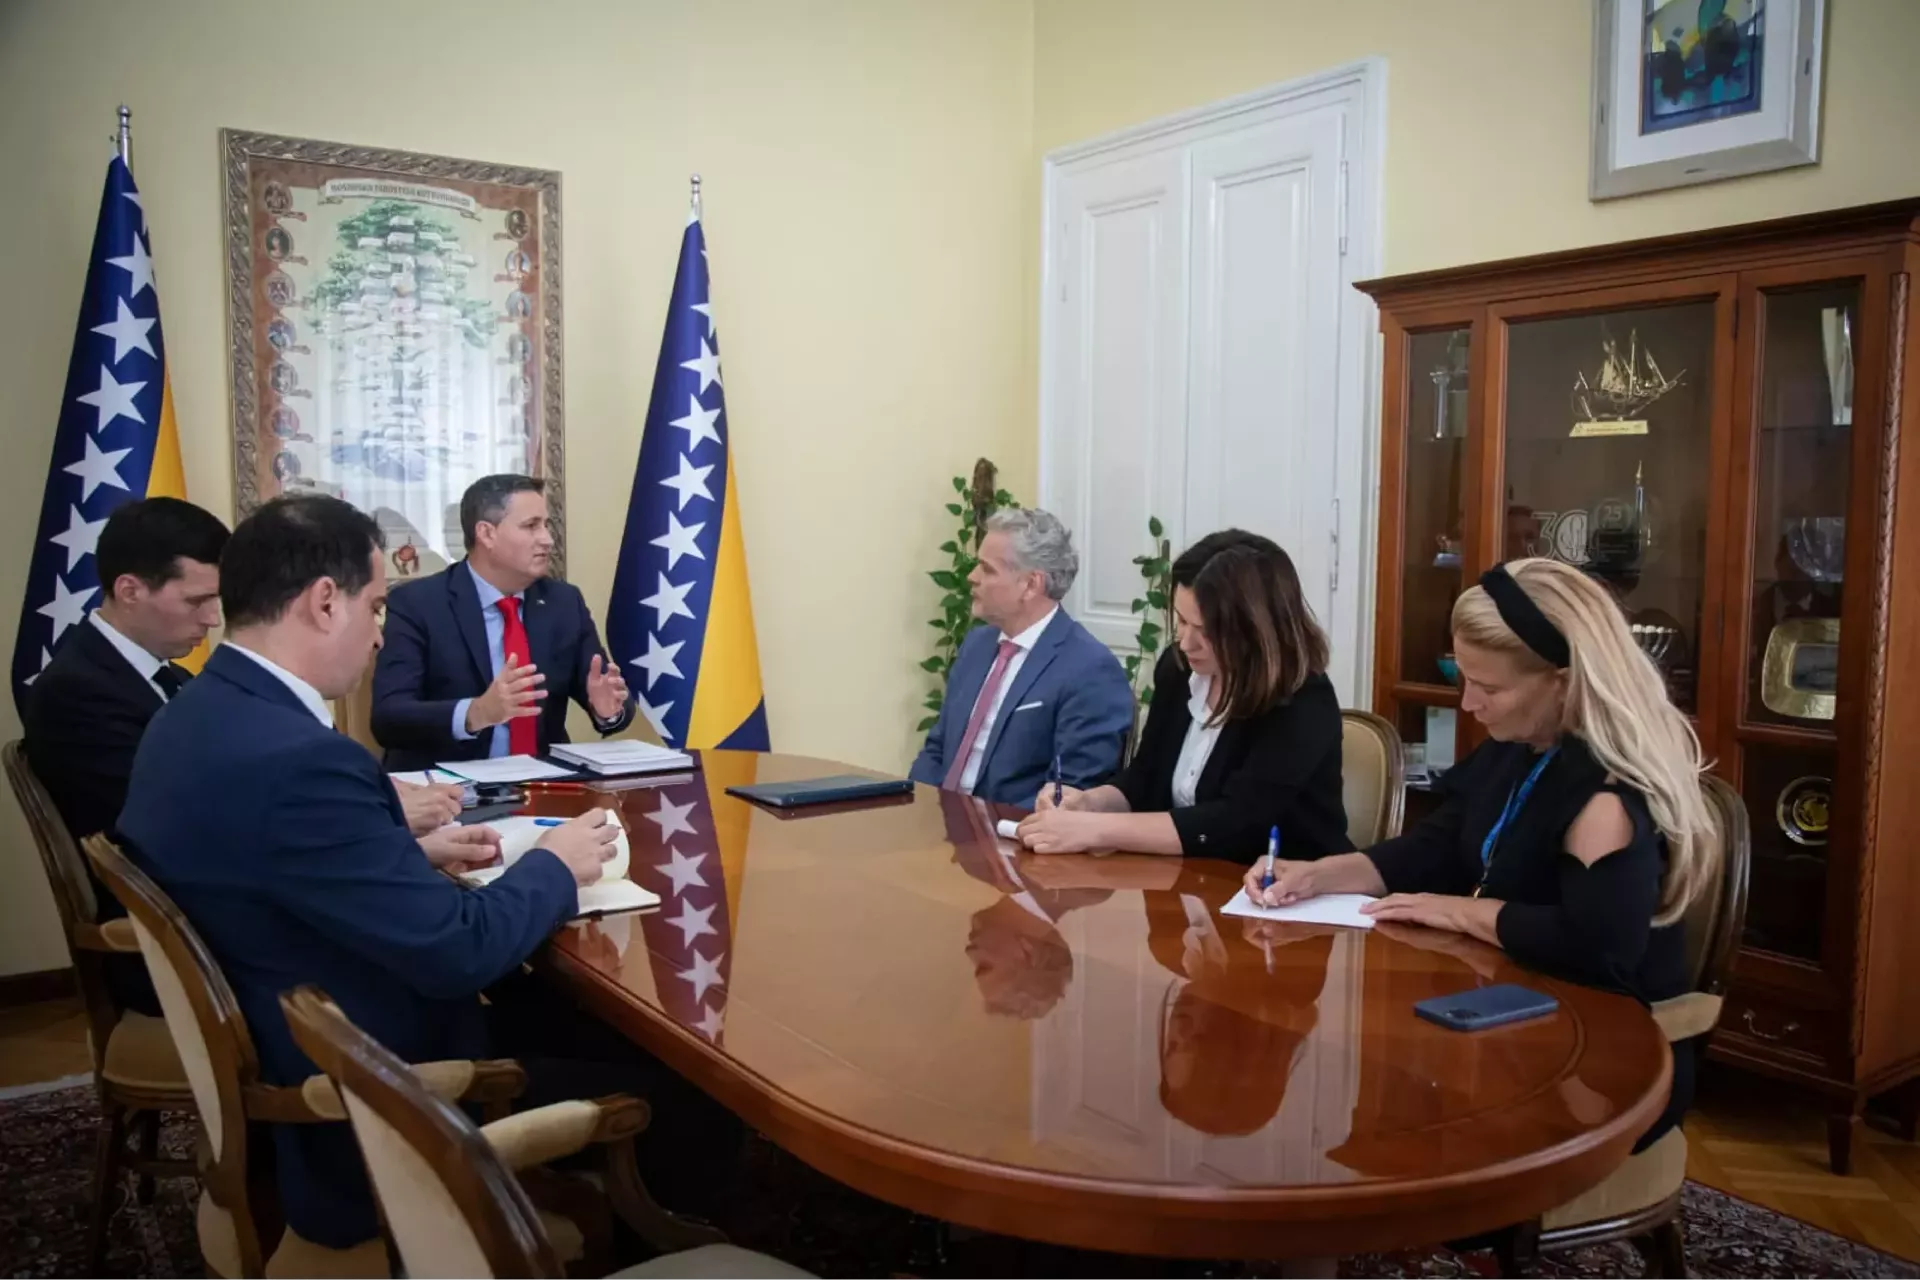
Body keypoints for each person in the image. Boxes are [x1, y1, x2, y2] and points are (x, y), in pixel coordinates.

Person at [114, 494, 639, 1250]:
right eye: (376, 606)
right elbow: (461, 951)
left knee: (580, 1018)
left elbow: (268, 860)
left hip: (300, 1008)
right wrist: (557, 864)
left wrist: (401, 854)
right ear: (325, 602)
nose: (380, 633)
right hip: (371, 1091)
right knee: (666, 1085)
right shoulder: (302, 758)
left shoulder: (192, 713)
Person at [1245, 557, 1720, 1147]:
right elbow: (1436, 846)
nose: (1468, 704)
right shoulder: (1520, 744)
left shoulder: (1606, 800)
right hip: (1511, 1013)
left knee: (1400, 1124)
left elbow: (1598, 950)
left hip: (1603, 1063)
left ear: (1564, 682)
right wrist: (1320, 875)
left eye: (1489, 688)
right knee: (1371, 1093)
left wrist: (1464, 912)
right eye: (1465, 679)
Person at [1016, 530, 1347, 862]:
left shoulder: (1303, 700)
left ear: (1255, 630)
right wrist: (1090, 803)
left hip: (1282, 883)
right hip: (1185, 877)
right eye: (1181, 621)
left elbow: (1236, 822)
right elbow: (1146, 777)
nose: (1186, 642)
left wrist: (1096, 829)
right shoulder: (1178, 668)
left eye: (1205, 630)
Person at [23, 498, 227, 1013]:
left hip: (205, 914)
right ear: (130, 590)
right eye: (197, 600)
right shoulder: (78, 692)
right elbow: (161, 834)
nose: (213, 618)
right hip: (176, 944)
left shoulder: (166, 676)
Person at [371, 474, 634, 771]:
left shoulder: (563, 603)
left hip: (544, 784)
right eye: (531, 526)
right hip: (449, 788)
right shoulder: (418, 604)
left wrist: (608, 711)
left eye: (546, 525)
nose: (547, 539)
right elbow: (388, 717)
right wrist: (475, 713)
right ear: (487, 534)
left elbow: (606, 691)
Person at [910, 508, 1133, 806]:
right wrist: (920, 808)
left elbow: (1068, 793)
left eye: (987, 569)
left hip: (1010, 829)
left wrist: (983, 826)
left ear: (1030, 584)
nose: (972, 577)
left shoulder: (1091, 669)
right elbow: (937, 749)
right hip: (940, 821)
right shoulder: (976, 645)